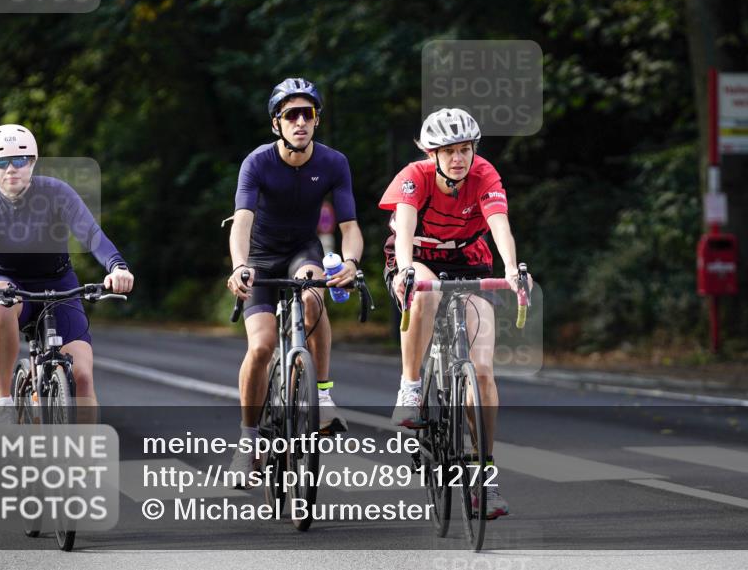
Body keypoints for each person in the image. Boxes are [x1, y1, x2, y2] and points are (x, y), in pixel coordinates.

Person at [379, 107, 531, 520]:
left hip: (470, 262)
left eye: (465, 149)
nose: (459, 158)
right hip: (419, 256)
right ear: (432, 153)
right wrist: (406, 271)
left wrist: (512, 270)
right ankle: (410, 388)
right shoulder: (415, 175)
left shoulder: (484, 174)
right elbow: (405, 229)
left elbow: (499, 225)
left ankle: (485, 476)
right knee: (425, 294)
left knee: (482, 371)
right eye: (449, 151)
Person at [225, 78, 364, 481]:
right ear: (277, 124)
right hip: (261, 258)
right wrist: (239, 265)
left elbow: (350, 225)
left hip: (303, 250)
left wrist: (352, 261)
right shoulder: (258, 163)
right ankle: (248, 440)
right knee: (263, 345)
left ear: (316, 120)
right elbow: (242, 223)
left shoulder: (334, 163)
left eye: (308, 114)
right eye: (291, 115)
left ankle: (320, 396)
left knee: (313, 294)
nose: (300, 121)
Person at [0, 124, 134, 420]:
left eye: (20, 160)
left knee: (83, 378)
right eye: (1, 161)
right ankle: (2, 403)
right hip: (6, 283)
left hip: (57, 284)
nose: (11, 168)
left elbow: (91, 234)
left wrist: (117, 266)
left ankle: (86, 458)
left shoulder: (56, 192)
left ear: (33, 162)